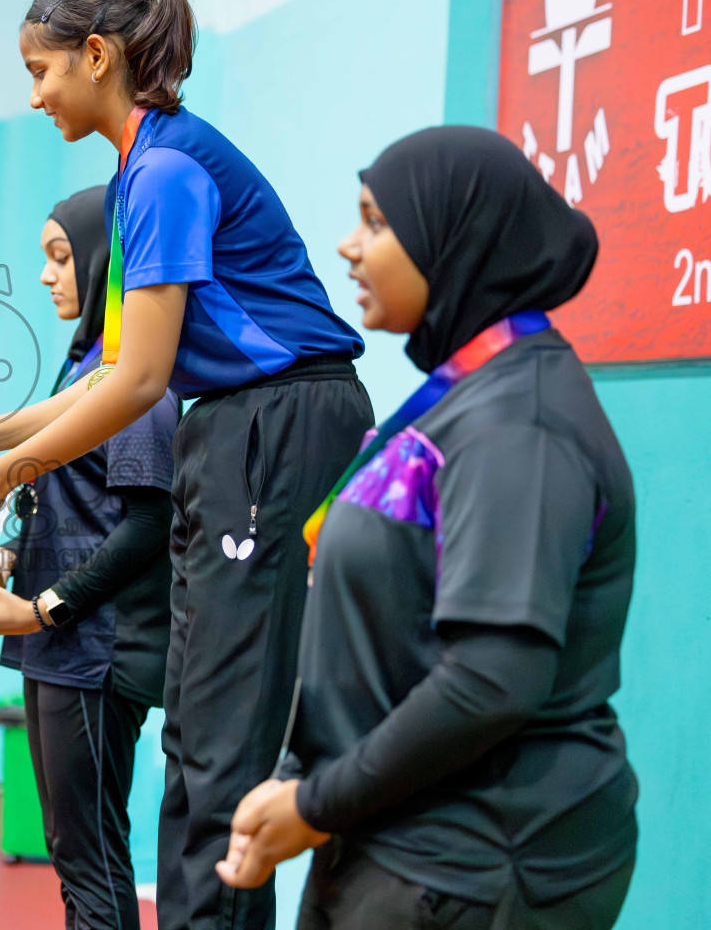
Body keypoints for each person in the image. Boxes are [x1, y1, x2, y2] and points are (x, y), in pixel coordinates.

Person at [0, 0, 374, 930]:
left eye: (41, 68)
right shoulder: (139, 170)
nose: (33, 94)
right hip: (233, 419)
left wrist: (0, 476)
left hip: (278, 412)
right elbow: (104, 374)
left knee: (221, 738)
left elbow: (142, 384)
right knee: (197, 732)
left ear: (95, 55)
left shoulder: (167, 170)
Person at [215, 126, 638, 930]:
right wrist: (306, 782)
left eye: (374, 221)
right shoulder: (463, 397)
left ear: (453, 237)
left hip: (479, 862)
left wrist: (313, 802)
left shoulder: (521, 428)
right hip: (397, 829)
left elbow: (490, 679)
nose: (347, 245)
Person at [0, 186, 178, 930]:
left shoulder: (139, 381)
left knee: (90, 855)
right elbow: (65, 500)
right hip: (54, 642)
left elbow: (150, 520)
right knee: (69, 848)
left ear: (103, 263)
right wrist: (7, 557)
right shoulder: (80, 366)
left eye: (60, 258)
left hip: (95, 648)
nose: (48, 276)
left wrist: (48, 605)